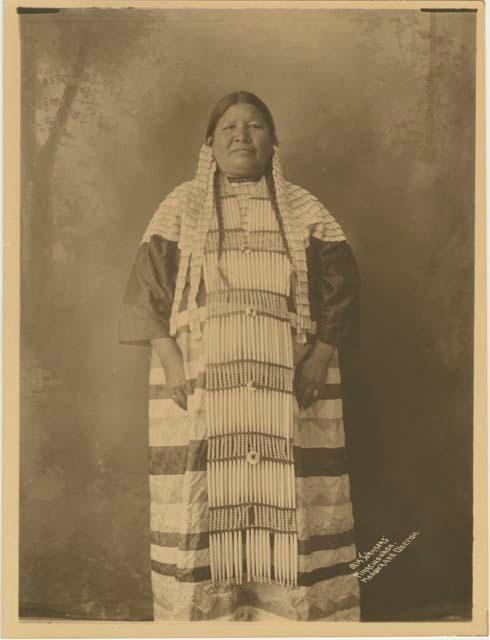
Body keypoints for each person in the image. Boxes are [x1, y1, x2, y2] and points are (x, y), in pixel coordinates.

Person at [119, 91, 361, 621]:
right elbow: (147, 291)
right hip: (202, 379)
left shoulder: (304, 208)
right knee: (204, 492)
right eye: (229, 127)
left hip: (292, 379)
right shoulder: (181, 206)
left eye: (255, 126)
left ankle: (288, 619)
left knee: (291, 493)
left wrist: (320, 354)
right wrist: (172, 360)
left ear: (274, 142)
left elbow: (341, 287)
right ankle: (211, 621)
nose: (241, 135)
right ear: (210, 143)